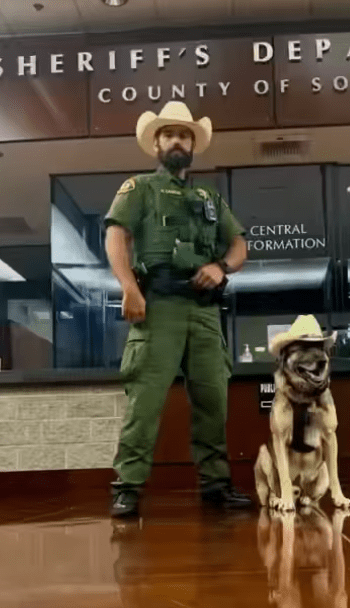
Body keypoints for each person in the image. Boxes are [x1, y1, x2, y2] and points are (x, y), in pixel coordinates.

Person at [103, 101, 254, 517]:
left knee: (213, 400)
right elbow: (116, 236)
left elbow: (239, 245)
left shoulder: (210, 197)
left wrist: (221, 268)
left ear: (193, 145)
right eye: (169, 134)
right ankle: (128, 487)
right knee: (145, 402)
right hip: (159, 307)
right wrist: (129, 287)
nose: (177, 141)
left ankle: (216, 485)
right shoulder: (139, 189)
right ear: (156, 143)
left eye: (184, 135)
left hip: (204, 312)